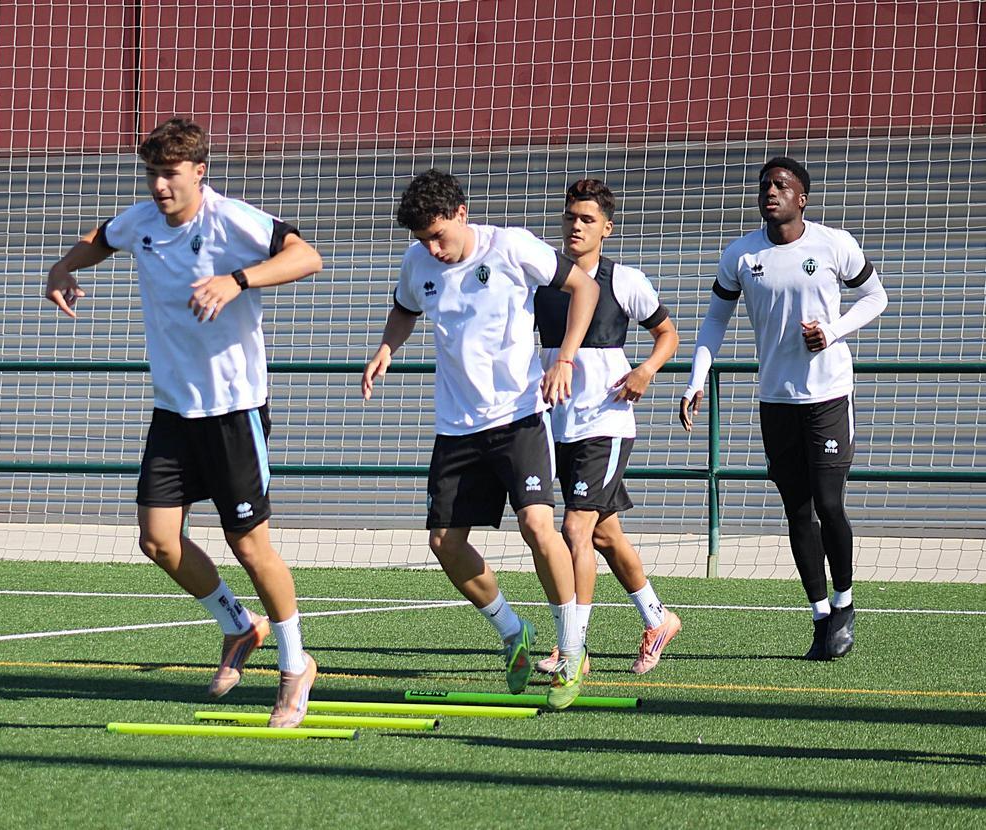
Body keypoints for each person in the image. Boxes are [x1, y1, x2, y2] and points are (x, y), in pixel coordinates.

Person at [44, 118, 324, 725]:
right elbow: (103, 236)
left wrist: (237, 279)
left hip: (235, 409)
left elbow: (307, 257)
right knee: (157, 540)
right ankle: (237, 625)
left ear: (200, 172)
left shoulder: (232, 221)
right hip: (174, 408)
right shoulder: (142, 220)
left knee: (250, 545)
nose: (159, 187)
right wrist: (63, 268)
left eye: (170, 175)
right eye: (152, 175)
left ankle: (296, 664)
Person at [362, 169, 601, 709]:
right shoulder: (418, 262)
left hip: (518, 417)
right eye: (423, 239)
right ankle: (514, 631)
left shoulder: (512, 247)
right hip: (457, 426)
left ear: (462, 214)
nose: (433, 248)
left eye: (439, 235)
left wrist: (564, 358)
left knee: (539, 524)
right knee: (444, 542)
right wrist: (387, 348)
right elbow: (404, 308)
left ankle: (572, 651)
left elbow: (584, 287)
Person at [679, 157, 887, 660]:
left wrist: (832, 331)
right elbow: (715, 321)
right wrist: (696, 379)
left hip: (829, 396)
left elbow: (875, 297)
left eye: (782, 185)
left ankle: (845, 601)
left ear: (802, 198)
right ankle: (820, 614)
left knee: (828, 502)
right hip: (776, 401)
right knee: (796, 509)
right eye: (765, 185)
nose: (771, 191)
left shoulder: (834, 244)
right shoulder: (741, 255)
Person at [531, 179, 682, 676]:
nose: (576, 225)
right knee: (605, 536)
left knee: (575, 528)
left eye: (587, 219)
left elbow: (667, 334)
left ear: (607, 229)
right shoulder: (544, 281)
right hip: (559, 426)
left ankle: (573, 647)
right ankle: (658, 618)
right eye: (571, 216)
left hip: (607, 423)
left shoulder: (626, 282)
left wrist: (644, 372)